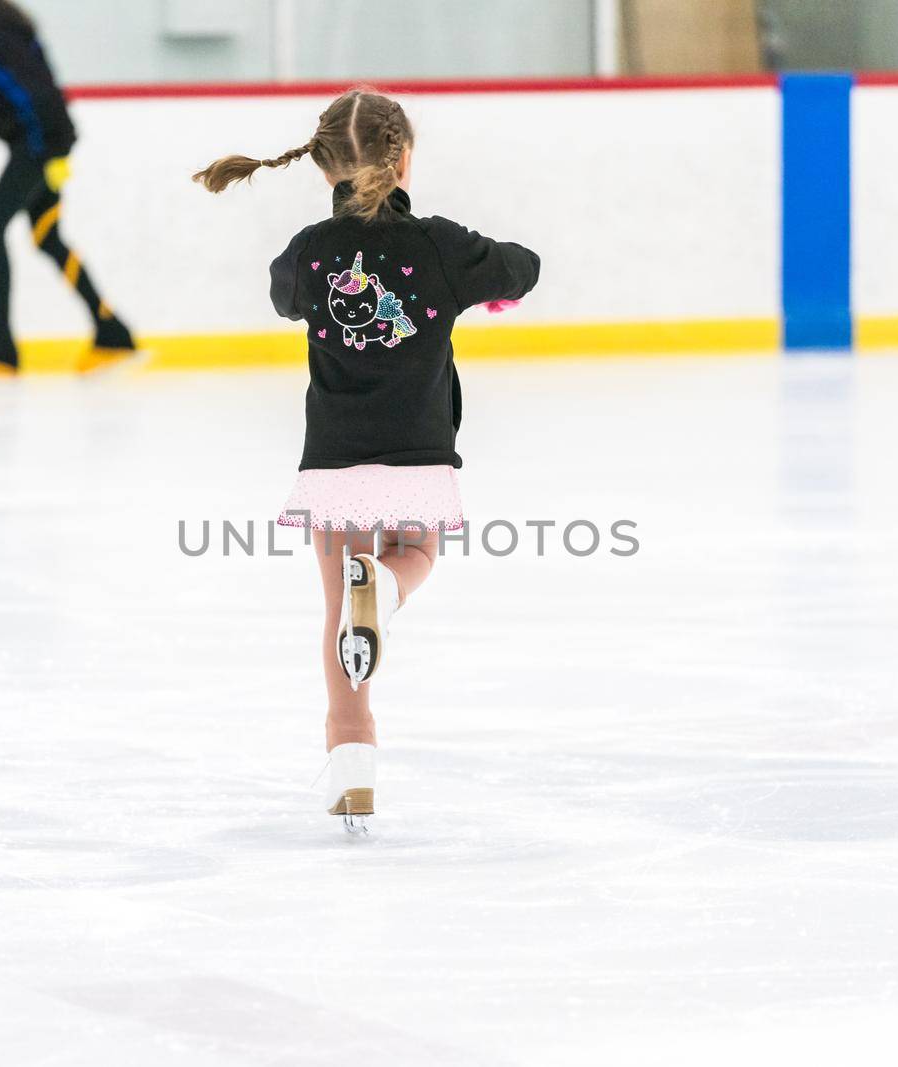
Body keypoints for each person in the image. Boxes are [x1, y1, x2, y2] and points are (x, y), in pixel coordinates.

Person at [193, 89, 541, 833]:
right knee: (414, 552)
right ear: (405, 158)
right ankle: (384, 584)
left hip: (334, 465)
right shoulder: (444, 248)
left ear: (323, 169)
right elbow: (524, 266)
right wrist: (486, 287)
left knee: (337, 622)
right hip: (417, 458)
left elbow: (282, 294)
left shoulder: (308, 254)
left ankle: (352, 766)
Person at [0, 0, 135, 370]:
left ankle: (0, 347)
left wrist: (59, 147)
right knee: (47, 237)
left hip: (39, 146)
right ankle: (112, 333)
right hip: (32, 145)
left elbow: (38, 86)